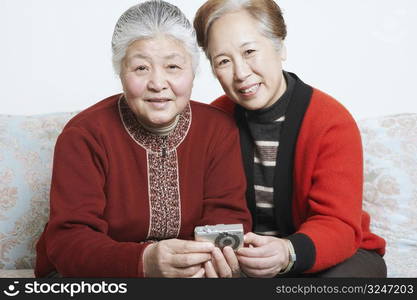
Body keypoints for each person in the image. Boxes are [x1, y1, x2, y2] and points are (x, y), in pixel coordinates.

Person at [35, 0, 252, 278]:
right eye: (141, 68)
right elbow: (69, 241)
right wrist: (144, 262)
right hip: (95, 278)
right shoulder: (85, 135)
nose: (158, 83)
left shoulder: (218, 129)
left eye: (173, 66)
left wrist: (208, 261)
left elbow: (227, 217)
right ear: (121, 72)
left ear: (193, 71)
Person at [193, 0, 386, 277]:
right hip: (247, 260)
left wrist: (287, 251)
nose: (241, 73)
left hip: (329, 254)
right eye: (223, 61)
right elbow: (206, 208)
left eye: (249, 51)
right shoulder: (214, 120)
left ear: (279, 46)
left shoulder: (330, 120)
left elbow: (338, 224)